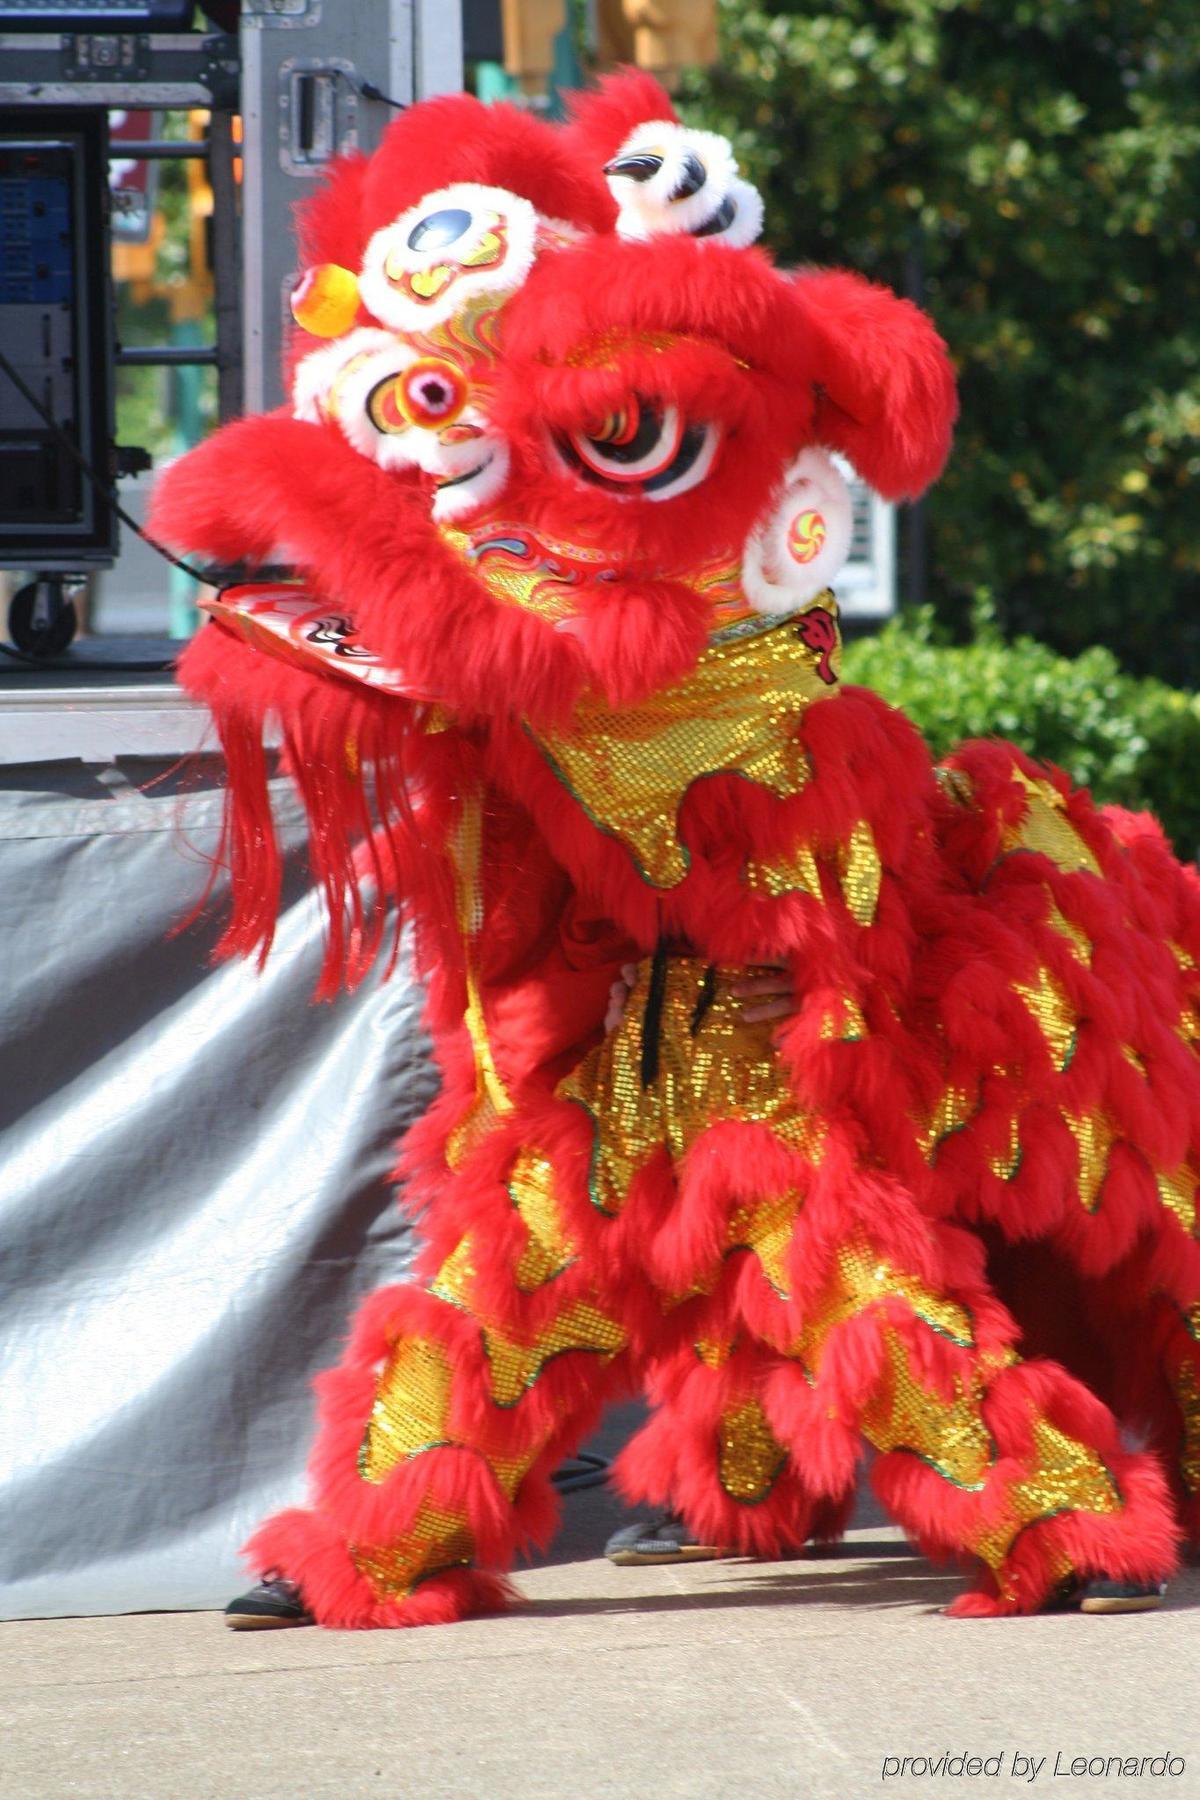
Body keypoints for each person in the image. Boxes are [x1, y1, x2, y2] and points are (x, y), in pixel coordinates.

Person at [154, 73, 1195, 1632]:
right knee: (506, 1267)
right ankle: (388, 1540)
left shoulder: (743, 663)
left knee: (837, 1257)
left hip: (807, 1049)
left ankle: (1048, 1513)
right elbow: (446, 690)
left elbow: (797, 892)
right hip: (625, 1058)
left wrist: (336, 527)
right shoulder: (516, 584)